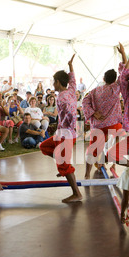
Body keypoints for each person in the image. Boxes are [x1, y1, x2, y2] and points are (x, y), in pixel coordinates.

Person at [39, 54, 83, 203]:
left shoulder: (62, 97)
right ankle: (63, 165)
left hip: (66, 134)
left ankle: (76, 193)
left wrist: (70, 124)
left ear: (58, 82)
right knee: (44, 146)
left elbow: (71, 111)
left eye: (54, 81)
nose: (53, 84)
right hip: (63, 133)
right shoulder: (71, 90)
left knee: (63, 165)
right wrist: (70, 66)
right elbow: (73, 79)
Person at [82, 62, 123, 179]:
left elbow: (84, 101)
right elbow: (123, 74)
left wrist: (93, 113)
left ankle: (86, 175)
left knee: (93, 148)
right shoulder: (116, 88)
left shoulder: (95, 91)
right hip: (113, 124)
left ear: (103, 78)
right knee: (118, 139)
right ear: (114, 80)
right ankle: (113, 164)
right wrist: (127, 58)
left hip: (98, 124)